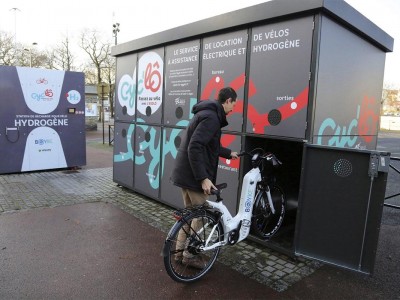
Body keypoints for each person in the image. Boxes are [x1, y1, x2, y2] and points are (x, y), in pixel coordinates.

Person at [171, 87, 239, 268]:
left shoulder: (206, 113)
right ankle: (189, 255)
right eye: (233, 103)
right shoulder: (212, 118)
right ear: (228, 101)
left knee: (190, 216)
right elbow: (195, 146)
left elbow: (209, 146)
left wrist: (227, 153)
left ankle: (179, 253)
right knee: (200, 216)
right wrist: (203, 178)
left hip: (185, 172)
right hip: (193, 176)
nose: (233, 108)